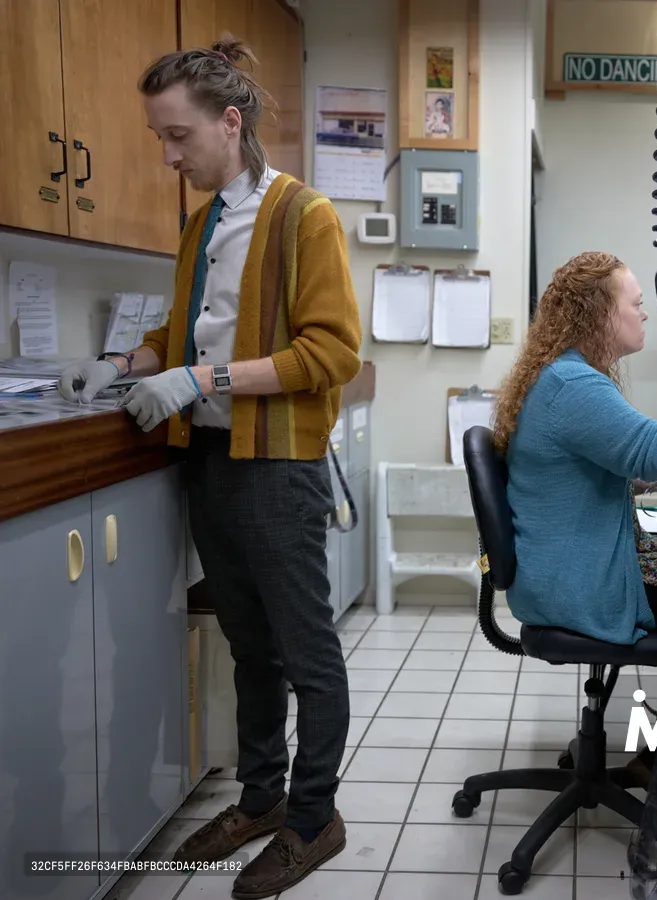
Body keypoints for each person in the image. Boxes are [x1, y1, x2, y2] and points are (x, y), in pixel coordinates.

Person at [57, 36, 362, 897]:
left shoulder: (304, 215)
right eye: (160, 137)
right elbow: (182, 332)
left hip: (278, 465)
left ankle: (313, 819)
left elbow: (330, 352)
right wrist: (122, 362)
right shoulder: (201, 225)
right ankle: (261, 799)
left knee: (308, 656)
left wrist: (198, 377)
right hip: (213, 461)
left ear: (231, 124)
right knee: (248, 648)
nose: (167, 156)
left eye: (178, 136)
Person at [492, 251, 657, 646]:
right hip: (579, 590)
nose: (644, 315)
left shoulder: (560, 374)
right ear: (600, 313)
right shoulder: (574, 385)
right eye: (636, 304)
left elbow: (630, 459)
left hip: (557, 579)